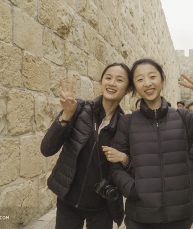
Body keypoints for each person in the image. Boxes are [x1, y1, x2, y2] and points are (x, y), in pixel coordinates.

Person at [110, 58, 193, 229]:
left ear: (162, 80)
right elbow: (115, 166)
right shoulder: (127, 122)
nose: (147, 83)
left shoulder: (183, 118)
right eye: (140, 79)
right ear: (134, 86)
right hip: (140, 216)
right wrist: (132, 190)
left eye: (152, 76)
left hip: (180, 216)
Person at [40, 63, 132, 229]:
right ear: (100, 82)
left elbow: (135, 168)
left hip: (102, 207)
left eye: (119, 80)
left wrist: (125, 158)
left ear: (128, 89)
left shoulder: (126, 126)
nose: (112, 83)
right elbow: (47, 149)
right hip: (68, 203)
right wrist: (66, 115)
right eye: (108, 78)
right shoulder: (78, 109)